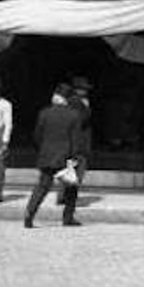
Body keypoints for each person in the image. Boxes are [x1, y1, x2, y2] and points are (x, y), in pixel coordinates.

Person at [23, 83, 86, 228]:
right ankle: (68, 217)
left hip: (46, 155)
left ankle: (29, 213)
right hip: (65, 156)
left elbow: (37, 135)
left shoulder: (44, 113)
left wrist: (43, 149)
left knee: (42, 187)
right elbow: (75, 139)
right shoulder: (74, 115)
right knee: (71, 187)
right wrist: (74, 157)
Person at [58, 76, 92, 205]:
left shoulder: (72, 102)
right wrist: (86, 109)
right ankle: (67, 198)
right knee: (74, 171)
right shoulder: (76, 103)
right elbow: (79, 121)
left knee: (69, 169)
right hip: (77, 142)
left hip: (73, 142)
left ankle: (64, 196)